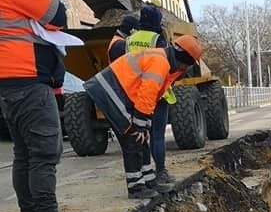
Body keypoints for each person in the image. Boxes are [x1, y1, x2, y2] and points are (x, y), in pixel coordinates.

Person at [0, 0, 89, 212]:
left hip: (8, 84)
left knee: (24, 154)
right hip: (28, 79)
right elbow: (58, 14)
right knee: (45, 152)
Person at [83, 35, 202, 199]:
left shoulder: (164, 62)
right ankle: (135, 187)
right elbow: (147, 94)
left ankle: (148, 180)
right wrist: (139, 126)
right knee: (132, 137)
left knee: (140, 138)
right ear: (185, 60)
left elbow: (151, 99)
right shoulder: (161, 63)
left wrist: (144, 126)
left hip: (118, 91)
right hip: (110, 91)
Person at [126, 4, 176, 189]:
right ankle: (160, 171)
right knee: (157, 135)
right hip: (156, 93)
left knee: (140, 135)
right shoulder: (158, 39)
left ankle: (143, 173)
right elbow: (166, 65)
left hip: (136, 93)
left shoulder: (130, 39)